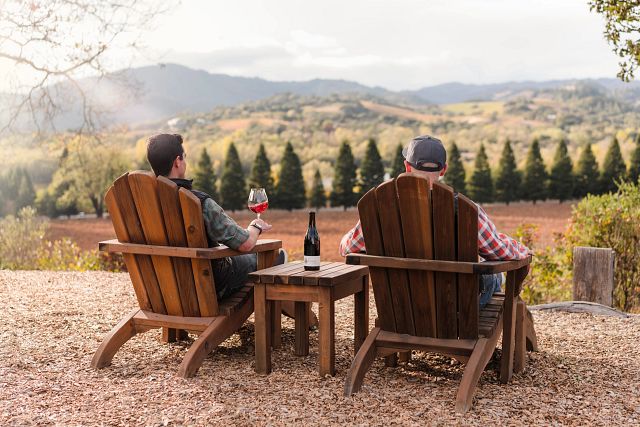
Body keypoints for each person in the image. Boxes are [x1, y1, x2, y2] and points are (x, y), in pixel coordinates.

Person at [339, 135, 531, 308]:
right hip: (455, 311)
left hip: (400, 308)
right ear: (443, 170)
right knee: (494, 276)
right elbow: (498, 251)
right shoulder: (466, 211)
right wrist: (522, 249)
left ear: (407, 166)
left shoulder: (381, 209)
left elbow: (347, 248)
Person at [146, 133, 285, 299]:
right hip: (206, 287)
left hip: (163, 288)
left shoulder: (142, 202)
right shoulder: (197, 202)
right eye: (184, 157)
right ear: (177, 161)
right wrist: (255, 227)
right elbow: (245, 244)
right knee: (273, 256)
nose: (185, 162)